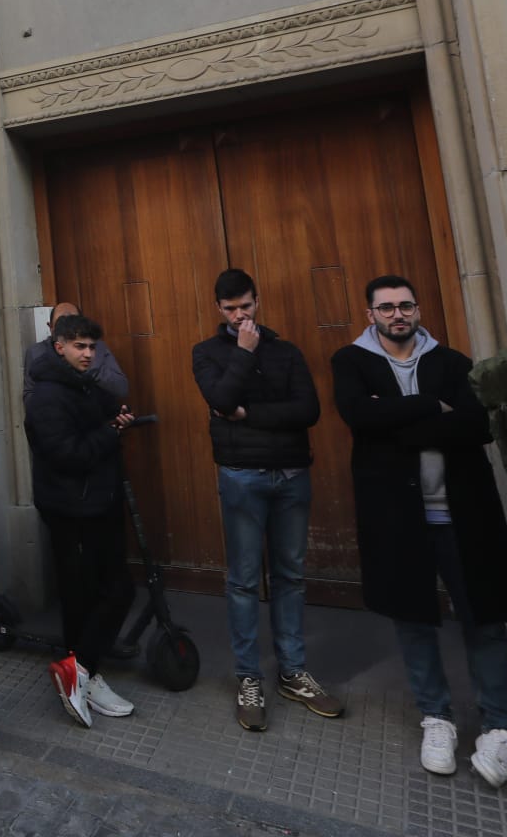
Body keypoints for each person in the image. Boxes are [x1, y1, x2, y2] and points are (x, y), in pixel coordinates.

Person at [332, 275, 507, 785]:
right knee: (413, 618)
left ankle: (500, 727)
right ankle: (436, 717)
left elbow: (477, 426)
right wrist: (430, 407)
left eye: (405, 305)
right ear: (370, 314)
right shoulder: (351, 362)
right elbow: (359, 418)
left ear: (418, 309)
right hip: (398, 515)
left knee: (484, 618)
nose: (397, 315)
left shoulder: (453, 362)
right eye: (386, 308)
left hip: (462, 512)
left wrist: (395, 420)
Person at [190, 268, 342, 731]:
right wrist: (243, 354)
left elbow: (308, 411)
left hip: (292, 475)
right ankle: (248, 677)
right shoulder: (207, 353)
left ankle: (293, 673)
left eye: (247, 307)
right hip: (241, 478)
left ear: (258, 301)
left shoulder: (288, 351)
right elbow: (219, 399)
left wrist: (248, 414)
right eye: (231, 309)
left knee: (291, 575)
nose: (241, 316)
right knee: (242, 580)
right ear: (219, 309)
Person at [23, 311, 140, 728]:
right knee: (94, 594)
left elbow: (112, 407)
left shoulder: (83, 385)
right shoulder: (46, 396)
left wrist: (118, 418)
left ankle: (84, 673)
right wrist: (110, 431)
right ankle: (81, 670)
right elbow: (66, 454)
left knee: (99, 593)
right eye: (79, 346)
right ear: (59, 347)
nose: (88, 354)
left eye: (92, 347)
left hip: (99, 504)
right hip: (73, 509)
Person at [21, 302, 129, 404]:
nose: (68, 330)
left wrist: (90, 368)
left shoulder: (95, 349)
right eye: (61, 325)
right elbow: (29, 397)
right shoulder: (36, 352)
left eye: (74, 323)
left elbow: (121, 389)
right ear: (51, 327)